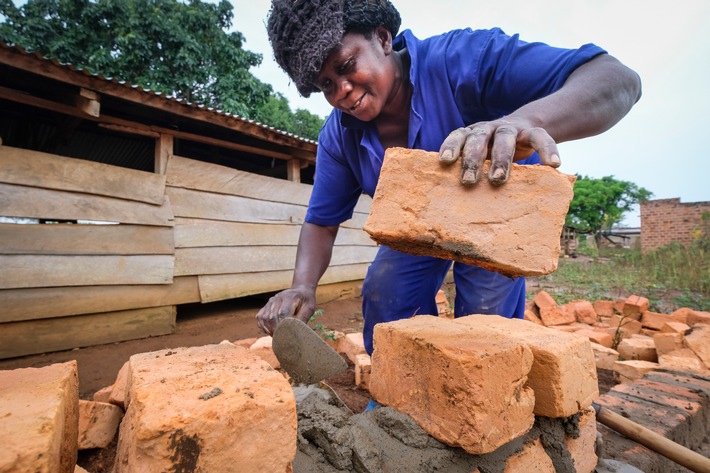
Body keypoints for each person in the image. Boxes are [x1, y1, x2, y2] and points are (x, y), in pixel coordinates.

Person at [256, 0, 641, 358]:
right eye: (325, 85)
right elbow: (322, 222)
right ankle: (394, 405)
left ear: (383, 38)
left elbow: (618, 80)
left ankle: (490, 411)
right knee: (386, 293)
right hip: (417, 227)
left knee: (485, 327)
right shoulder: (340, 136)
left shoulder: (463, 61)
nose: (341, 91)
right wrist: (303, 284)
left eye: (344, 66)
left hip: (494, 220)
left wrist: (528, 120)